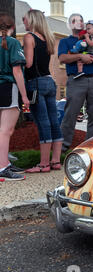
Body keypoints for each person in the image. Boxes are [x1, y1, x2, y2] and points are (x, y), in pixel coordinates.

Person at [58, 13, 93, 153]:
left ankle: (90, 149)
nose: (79, 23)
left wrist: (91, 59)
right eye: (75, 20)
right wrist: (80, 56)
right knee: (71, 113)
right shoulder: (65, 42)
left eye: (81, 20)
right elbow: (62, 58)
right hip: (76, 80)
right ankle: (62, 149)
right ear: (69, 25)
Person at [22, 9, 63, 173]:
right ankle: (55, 161)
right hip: (49, 81)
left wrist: (16, 60)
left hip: (35, 83)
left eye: (25, 19)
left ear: (32, 20)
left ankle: (43, 164)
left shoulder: (29, 37)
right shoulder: (48, 38)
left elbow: (29, 63)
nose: (23, 22)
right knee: (54, 121)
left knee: (42, 122)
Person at [0, 12, 30, 181]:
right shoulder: (12, 43)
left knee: (2, 130)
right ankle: (3, 167)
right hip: (7, 87)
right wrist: (24, 95)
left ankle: (4, 163)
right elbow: (17, 70)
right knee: (6, 130)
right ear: (11, 27)